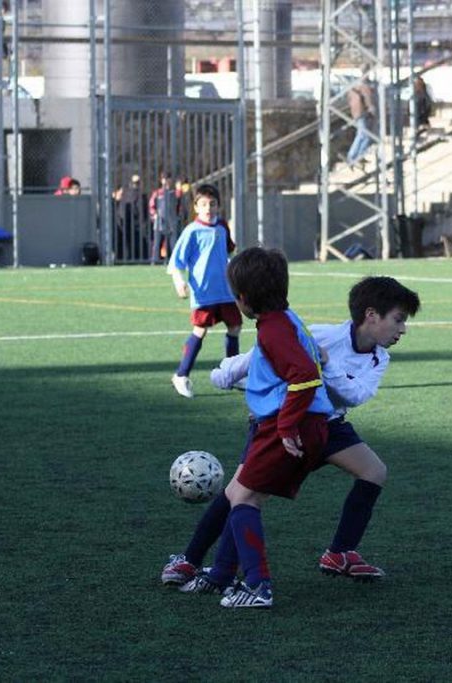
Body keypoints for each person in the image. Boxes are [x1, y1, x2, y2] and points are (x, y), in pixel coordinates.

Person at [160, 276, 421, 592]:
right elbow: (264, 352)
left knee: (374, 471)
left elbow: (356, 395)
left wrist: (327, 366)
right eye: (398, 319)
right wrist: (226, 373)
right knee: (241, 494)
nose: (402, 329)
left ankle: (339, 554)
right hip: (286, 422)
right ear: (370, 315)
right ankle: (192, 560)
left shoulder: (380, 357)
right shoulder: (322, 334)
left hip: (330, 426)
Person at [182, 246, 334, 609]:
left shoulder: (274, 329)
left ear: (244, 299)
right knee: (240, 495)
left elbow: (305, 375)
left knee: (243, 498)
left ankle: (258, 585)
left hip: (288, 425)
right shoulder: (283, 319)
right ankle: (220, 575)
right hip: (301, 423)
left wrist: (285, 426)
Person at [166, 183, 242, 399]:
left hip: (226, 290)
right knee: (200, 330)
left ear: (218, 206)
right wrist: (179, 282)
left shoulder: (222, 227)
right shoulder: (192, 231)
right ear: (196, 207)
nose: (208, 208)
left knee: (235, 327)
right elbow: (177, 261)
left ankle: (231, 374)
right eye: (203, 204)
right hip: (204, 292)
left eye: (213, 204)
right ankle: (181, 375)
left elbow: (228, 251)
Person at [345, 67, 377, 169]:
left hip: (356, 113)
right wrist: (371, 108)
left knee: (362, 135)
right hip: (362, 113)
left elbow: (349, 99)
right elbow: (368, 99)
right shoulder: (364, 86)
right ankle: (355, 156)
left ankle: (356, 155)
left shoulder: (353, 86)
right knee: (364, 135)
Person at [149, 170, 180, 265]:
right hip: (160, 221)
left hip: (172, 221)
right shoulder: (157, 193)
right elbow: (151, 205)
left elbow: (179, 205)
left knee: (173, 243)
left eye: (168, 178)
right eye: (164, 179)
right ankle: (155, 261)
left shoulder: (175, 193)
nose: (166, 181)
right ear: (161, 180)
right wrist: (154, 214)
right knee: (157, 243)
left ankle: (174, 262)